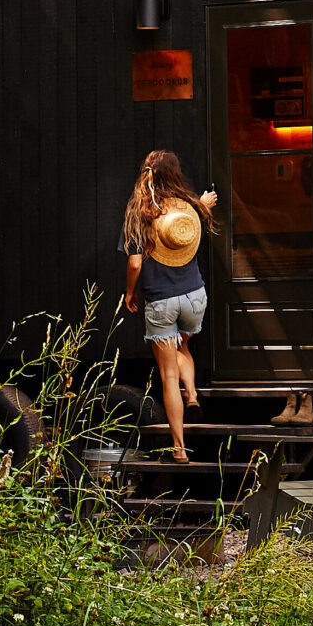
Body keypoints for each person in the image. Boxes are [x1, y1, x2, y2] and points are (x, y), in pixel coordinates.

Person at [122, 149, 217, 462]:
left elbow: (135, 263)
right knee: (183, 348)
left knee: (166, 376)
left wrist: (129, 293)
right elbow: (195, 215)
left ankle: (178, 448)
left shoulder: (140, 212)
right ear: (176, 174)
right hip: (195, 297)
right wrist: (203, 203)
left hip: (161, 300)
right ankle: (192, 392)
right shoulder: (188, 208)